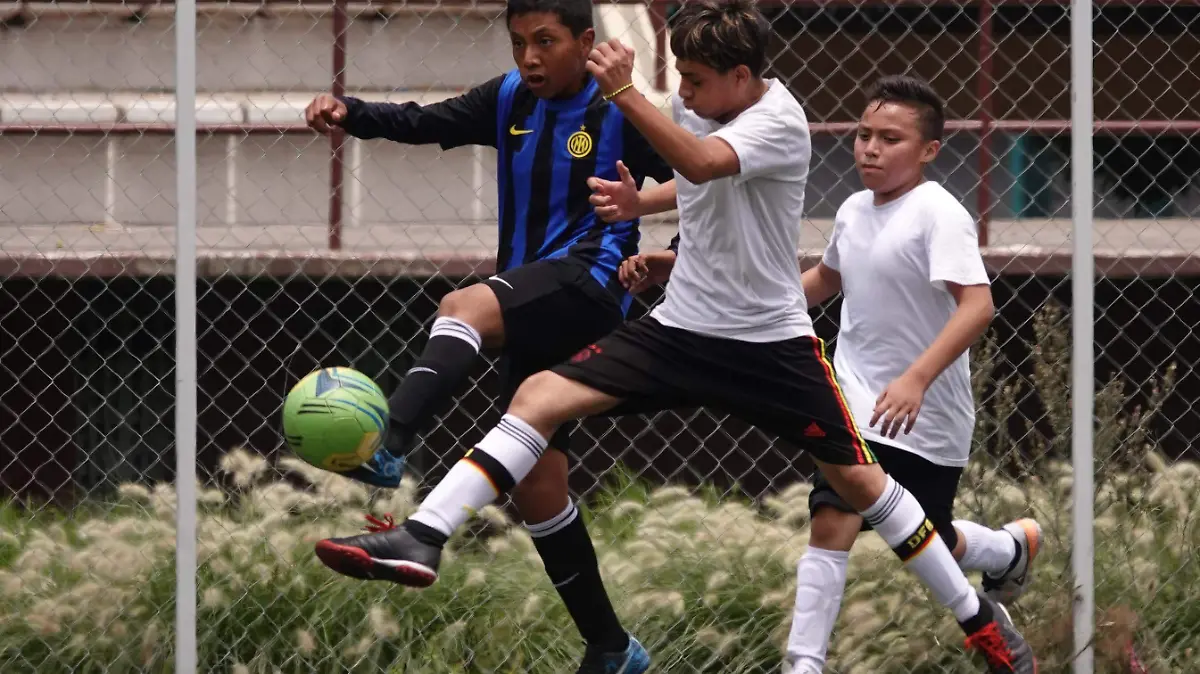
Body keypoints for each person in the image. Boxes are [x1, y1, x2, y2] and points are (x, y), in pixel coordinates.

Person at [312, 2, 1037, 672]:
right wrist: (643, 206)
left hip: (767, 345)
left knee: (860, 485)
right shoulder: (711, 106)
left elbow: (702, 162)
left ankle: (978, 618)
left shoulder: (779, 121)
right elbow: (693, 181)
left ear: (744, 78)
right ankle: (425, 534)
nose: (683, 93)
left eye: (694, 80)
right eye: (678, 78)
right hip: (681, 329)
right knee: (538, 395)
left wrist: (628, 93)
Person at [610, 74, 1046, 674]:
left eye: (890, 139)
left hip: (925, 412)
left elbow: (979, 305)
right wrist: (686, 277)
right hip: (854, 398)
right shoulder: (853, 209)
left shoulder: (938, 213)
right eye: (864, 134)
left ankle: (1005, 548)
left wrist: (917, 378)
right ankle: (804, 663)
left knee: (926, 537)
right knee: (834, 514)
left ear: (927, 151)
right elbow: (822, 281)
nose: (869, 148)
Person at [303, 0, 673, 671]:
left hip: (590, 286)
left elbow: (696, 177)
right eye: (518, 43)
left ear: (586, 42)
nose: (529, 57)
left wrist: (666, 252)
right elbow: (422, 123)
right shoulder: (508, 98)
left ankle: (391, 442)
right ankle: (612, 647)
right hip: (535, 296)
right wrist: (350, 112)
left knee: (464, 305)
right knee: (537, 489)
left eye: (546, 42)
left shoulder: (620, 110)